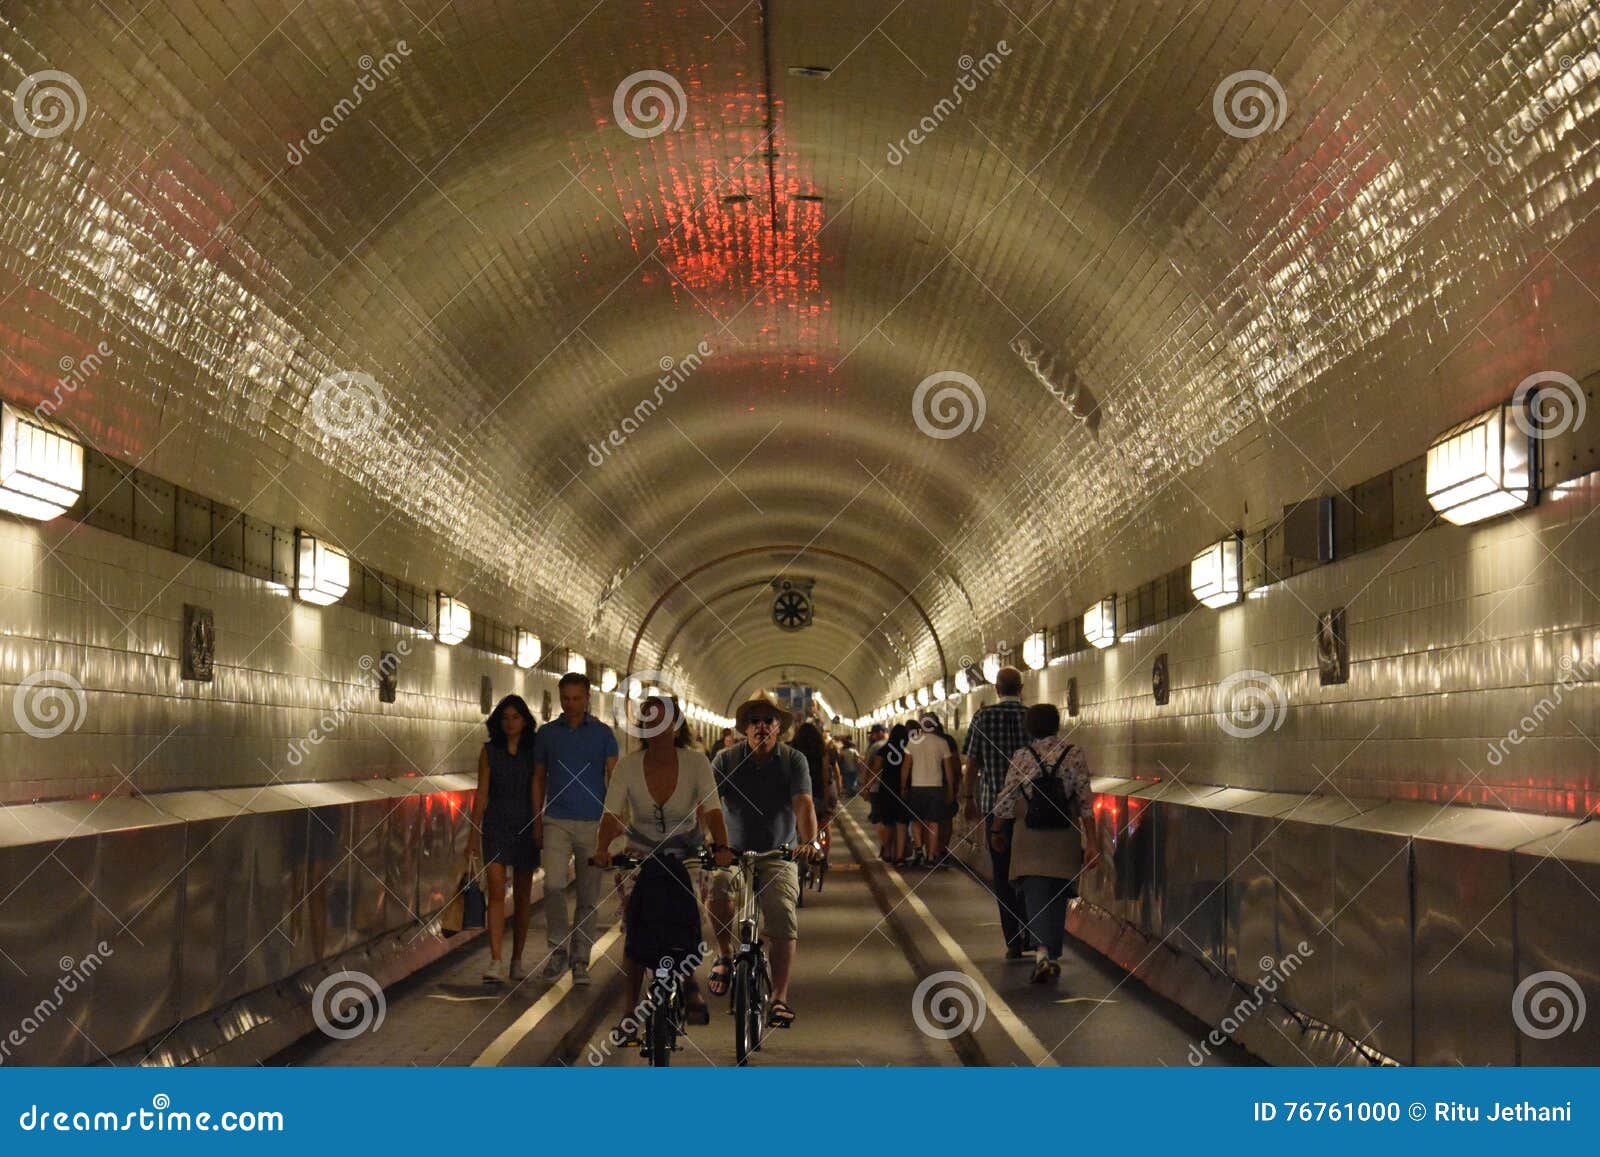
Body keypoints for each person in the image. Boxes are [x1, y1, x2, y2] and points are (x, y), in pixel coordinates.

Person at [593, 696, 733, 1035]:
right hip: (641, 851)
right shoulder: (628, 766)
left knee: (688, 917)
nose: (656, 729)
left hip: (685, 852)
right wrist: (601, 850)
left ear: (676, 726)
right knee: (635, 925)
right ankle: (629, 1010)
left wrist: (722, 846)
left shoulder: (697, 763)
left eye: (663, 721)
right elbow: (612, 813)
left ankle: (689, 984)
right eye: (648, 721)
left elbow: (712, 809)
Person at [707, 695, 817, 1029]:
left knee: (783, 915)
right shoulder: (726, 759)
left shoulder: (793, 760)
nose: (762, 727)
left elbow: (803, 804)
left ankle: (780, 997)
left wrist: (808, 841)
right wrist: (709, 842)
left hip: (778, 853)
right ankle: (725, 956)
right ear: (745, 728)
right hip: (733, 851)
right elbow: (710, 804)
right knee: (718, 891)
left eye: (769, 721)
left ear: (779, 728)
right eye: (754, 721)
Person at [989, 702, 1098, 983]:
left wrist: (997, 831)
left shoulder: (1022, 756)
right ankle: (1050, 952)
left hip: (1030, 836)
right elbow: (1086, 801)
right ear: (1057, 724)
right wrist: (1093, 841)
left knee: (1034, 894)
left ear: (1030, 728)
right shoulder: (1074, 755)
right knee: (1058, 895)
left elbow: (1007, 798)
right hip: (1064, 835)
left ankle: (1041, 953)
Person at [532, 671, 619, 986]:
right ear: (560, 698)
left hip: (593, 823)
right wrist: (537, 820)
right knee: (553, 885)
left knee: (587, 895)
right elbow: (538, 777)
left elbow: (615, 779)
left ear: (587, 699)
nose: (571, 704)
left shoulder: (603, 735)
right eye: (565, 698)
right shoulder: (547, 734)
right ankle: (558, 949)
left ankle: (580, 958)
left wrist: (613, 825)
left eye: (577, 698)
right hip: (556, 818)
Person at [959, 666, 1033, 959]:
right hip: (1031, 810)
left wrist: (968, 798)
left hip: (994, 808)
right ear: (1021, 687)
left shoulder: (983, 717)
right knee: (1029, 871)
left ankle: (1013, 941)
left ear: (997, 689)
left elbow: (973, 763)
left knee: (1002, 875)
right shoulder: (1032, 717)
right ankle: (1032, 933)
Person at [470, 695, 540, 984]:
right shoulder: (489, 751)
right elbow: (482, 792)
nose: (510, 723)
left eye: (515, 717)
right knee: (496, 890)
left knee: (523, 895)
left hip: (525, 824)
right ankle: (496, 959)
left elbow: (539, 786)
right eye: (505, 718)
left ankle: (516, 960)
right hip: (496, 824)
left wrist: (538, 826)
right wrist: (474, 832)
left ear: (525, 720)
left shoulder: (534, 750)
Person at [902, 713, 958, 865]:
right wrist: (951, 790)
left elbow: (906, 767)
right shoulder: (942, 743)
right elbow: (949, 770)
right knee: (933, 822)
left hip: (916, 787)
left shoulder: (912, 742)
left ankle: (919, 848)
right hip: (936, 787)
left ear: (921, 725)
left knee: (916, 820)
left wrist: (903, 787)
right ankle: (932, 856)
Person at [867, 723, 912, 863]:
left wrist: (867, 787)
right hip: (904, 789)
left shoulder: (884, 749)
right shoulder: (908, 750)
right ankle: (899, 856)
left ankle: (887, 851)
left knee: (888, 823)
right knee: (901, 824)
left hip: (886, 790)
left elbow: (875, 770)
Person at [791, 721, 838, 826]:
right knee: (823, 824)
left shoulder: (792, 752)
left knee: (797, 826)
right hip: (818, 795)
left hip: (797, 797)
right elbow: (825, 777)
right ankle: (825, 841)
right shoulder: (822, 752)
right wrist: (825, 801)